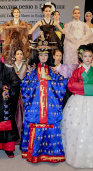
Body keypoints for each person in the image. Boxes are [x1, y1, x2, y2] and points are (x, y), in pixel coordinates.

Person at [61, 43, 93, 168]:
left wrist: (86, 88)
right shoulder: (77, 72)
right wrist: (90, 88)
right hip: (79, 101)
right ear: (81, 57)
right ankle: (78, 154)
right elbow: (71, 86)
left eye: (90, 56)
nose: (88, 58)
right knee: (78, 126)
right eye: (85, 56)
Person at [20, 34, 68, 164]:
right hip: (36, 107)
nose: (43, 57)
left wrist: (51, 80)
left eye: (45, 55)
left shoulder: (53, 71)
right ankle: (34, 152)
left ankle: (52, 153)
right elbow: (24, 85)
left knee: (50, 123)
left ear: (48, 56)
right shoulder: (32, 71)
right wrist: (34, 83)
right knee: (35, 123)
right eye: (41, 55)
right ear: (37, 56)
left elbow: (62, 83)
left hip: (49, 107)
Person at [62, 6, 93, 71]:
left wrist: (83, 39)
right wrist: (72, 39)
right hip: (71, 46)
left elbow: (88, 33)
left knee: (81, 62)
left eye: (78, 13)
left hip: (81, 43)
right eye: (75, 13)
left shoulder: (84, 24)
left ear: (80, 14)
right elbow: (66, 33)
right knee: (71, 65)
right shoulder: (69, 24)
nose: (77, 14)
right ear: (73, 14)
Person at [12, 48, 28, 137]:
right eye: (17, 54)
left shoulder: (26, 67)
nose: (19, 56)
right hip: (13, 92)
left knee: (22, 113)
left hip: (23, 92)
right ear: (15, 56)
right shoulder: (11, 67)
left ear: (23, 56)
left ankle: (22, 134)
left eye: (21, 54)